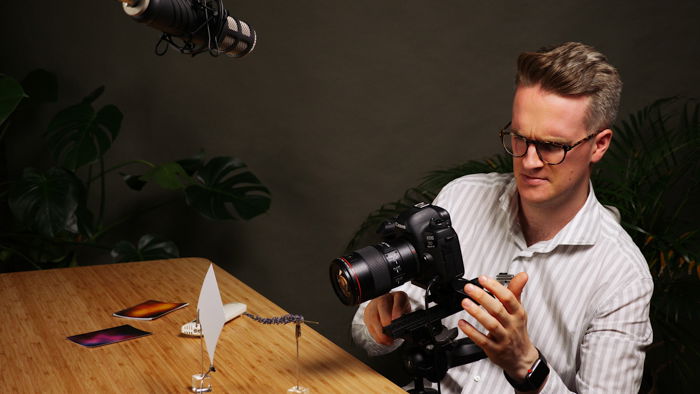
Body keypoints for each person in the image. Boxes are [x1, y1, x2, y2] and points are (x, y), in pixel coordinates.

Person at [351, 42, 653, 393]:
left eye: (552, 146)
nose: (529, 161)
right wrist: (379, 323)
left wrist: (526, 364)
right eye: (519, 138)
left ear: (599, 145)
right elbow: (368, 330)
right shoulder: (461, 198)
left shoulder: (622, 276)